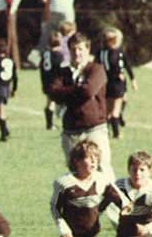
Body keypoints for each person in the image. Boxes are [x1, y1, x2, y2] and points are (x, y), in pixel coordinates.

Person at [48, 32, 113, 177]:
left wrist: (67, 93)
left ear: (87, 49)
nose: (76, 53)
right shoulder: (62, 72)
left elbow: (88, 91)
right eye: (73, 49)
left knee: (102, 169)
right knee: (75, 173)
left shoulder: (96, 69)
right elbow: (53, 92)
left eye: (80, 49)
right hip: (71, 131)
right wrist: (78, 90)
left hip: (94, 128)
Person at [99, 28, 138, 139]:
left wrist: (133, 79)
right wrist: (119, 74)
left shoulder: (102, 52)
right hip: (115, 84)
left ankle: (106, 131)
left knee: (110, 109)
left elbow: (126, 65)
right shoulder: (112, 53)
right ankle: (116, 133)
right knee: (114, 111)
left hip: (107, 83)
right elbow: (115, 66)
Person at [40, 31, 68, 131]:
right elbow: (60, 68)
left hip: (46, 80)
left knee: (50, 102)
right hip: (55, 81)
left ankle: (49, 124)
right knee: (63, 102)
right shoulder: (58, 55)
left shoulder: (45, 54)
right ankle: (59, 122)